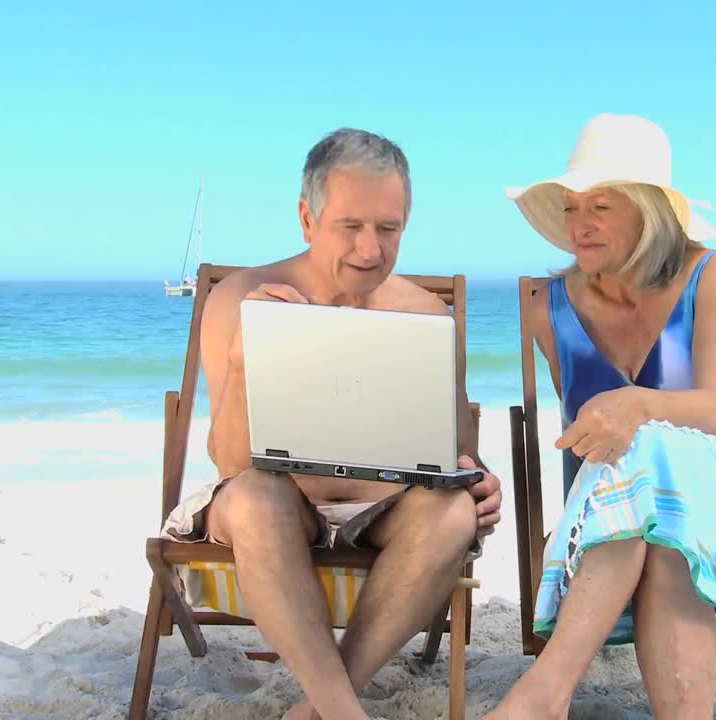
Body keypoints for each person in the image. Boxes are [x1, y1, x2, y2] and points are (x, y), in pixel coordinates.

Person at [486, 114, 716, 719]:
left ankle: (545, 694)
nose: (579, 224)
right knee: (667, 534)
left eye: (601, 205)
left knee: (654, 470)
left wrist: (639, 405)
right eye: (571, 208)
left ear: (649, 211)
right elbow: (583, 437)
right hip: (645, 510)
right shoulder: (551, 310)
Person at [161, 128, 503, 720]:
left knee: (452, 510)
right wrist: (246, 365)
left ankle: (324, 708)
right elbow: (233, 464)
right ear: (307, 218)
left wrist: (479, 479)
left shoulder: (424, 315)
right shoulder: (243, 299)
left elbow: (458, 451)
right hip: (272, 507)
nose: (370, 249)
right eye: (351, 226)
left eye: (388, 228)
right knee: (256, 500)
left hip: (384, 518)